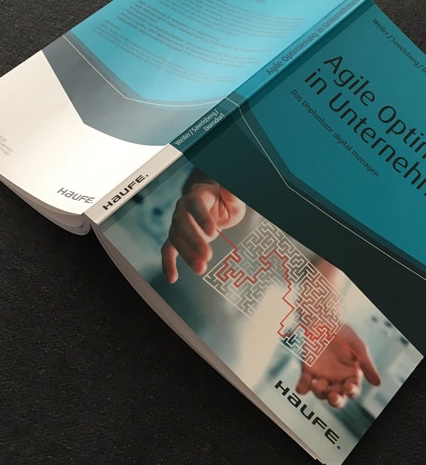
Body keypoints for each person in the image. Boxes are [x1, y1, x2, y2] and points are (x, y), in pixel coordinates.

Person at [161, 168, 381, 409]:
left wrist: (323, 319)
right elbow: (211, 168)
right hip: (170, 302)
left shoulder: (375, 200)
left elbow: (330, 270)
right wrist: (206, 190)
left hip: (238, 355)